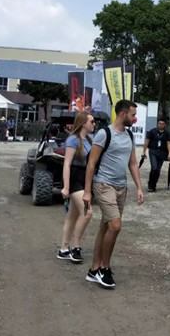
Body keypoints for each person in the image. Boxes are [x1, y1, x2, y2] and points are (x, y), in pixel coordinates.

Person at [83, 99, 144, 288]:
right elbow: (91, 164)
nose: (134, 118)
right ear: (123, 114)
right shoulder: (104, 134)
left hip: (121, 187)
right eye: (133, 115)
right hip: (103, 185)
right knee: (115, 226)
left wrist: (139, 187)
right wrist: (87, 191)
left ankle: (94, 270)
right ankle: (104, 268)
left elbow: (132, 163)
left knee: (106, 227)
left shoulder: (129, 135)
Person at [58, 112, 95, 263]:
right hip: (74, 178)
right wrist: (66, 187)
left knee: (73, 216)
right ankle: (76, 247)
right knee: (87, 212)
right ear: (83, 123)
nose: (94, 124)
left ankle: (63, 249)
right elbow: (67, 164)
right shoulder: (73, 139)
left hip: (83, 178)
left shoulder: (89, 140)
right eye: (91, 121)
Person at [142, 118, 170, 192]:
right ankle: (150, 184)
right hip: (153, 151)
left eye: (162, 124)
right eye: (159, 123)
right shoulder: (152, 131)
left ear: (165, 125)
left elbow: (168, 143)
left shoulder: (167, 133)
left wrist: (169, 153)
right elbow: (147, 141)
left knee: (158, 170)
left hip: (162, 152)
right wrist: (144, 151)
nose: (161, 125)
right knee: (154, 167)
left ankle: (153, 185)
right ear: (157, 124)